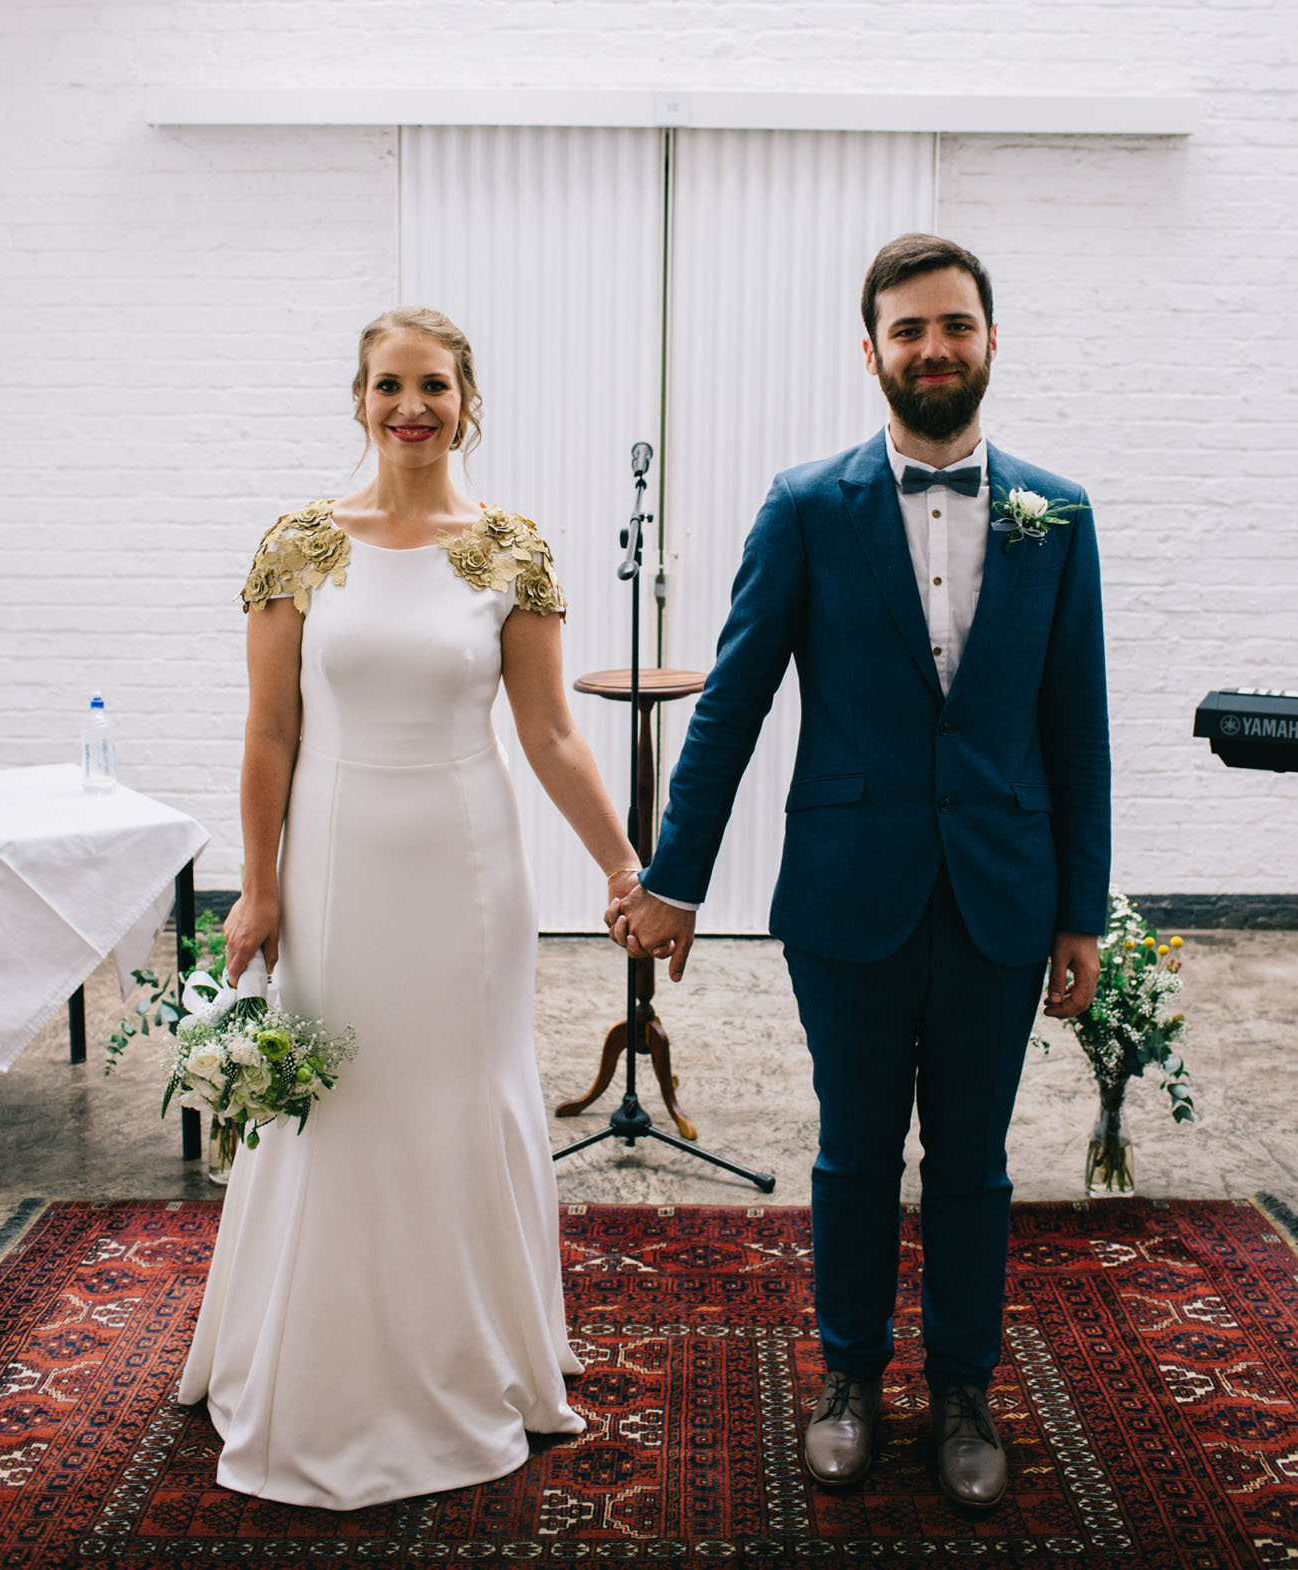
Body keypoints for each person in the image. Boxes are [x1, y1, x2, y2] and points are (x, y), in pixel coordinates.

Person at [608, 235, 1110, 1510]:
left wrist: (1079, 908)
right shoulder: (805, 508)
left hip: (1000, 889)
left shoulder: (1058, 513)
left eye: (953, 325)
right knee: (852, 1150)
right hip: (847, 889)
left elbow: (1076, 723)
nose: (933, 348)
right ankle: (848, 1377)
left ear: (989, 340)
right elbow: (731, 703)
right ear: (871, 351)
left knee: (974, 1160)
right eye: (908, 330)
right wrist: (674, 876)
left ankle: (963, 1388)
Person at [178, 306, 641, 1510]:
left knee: (455, 1096)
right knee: (338, 1100)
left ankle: (471, 1352)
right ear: (360, 399)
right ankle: (316, 1361)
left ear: (465, 401)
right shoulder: (297, 547)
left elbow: (549, 733)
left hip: (465, 869)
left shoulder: (508, 552)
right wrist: (259, 885)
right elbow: (270, 732)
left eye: (433, 385)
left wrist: (622, 864)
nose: (411, 407)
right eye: (389, 385)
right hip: (335, 866)